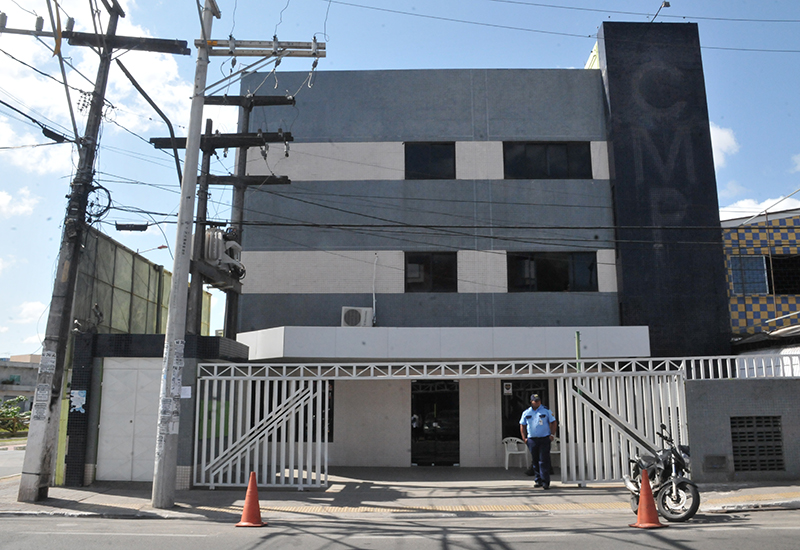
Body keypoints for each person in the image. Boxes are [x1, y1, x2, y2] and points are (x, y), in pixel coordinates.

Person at [519, 393, 557, 489]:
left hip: (544, 438)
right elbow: (522, 425)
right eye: (535, 401)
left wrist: (552, 434)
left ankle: (545, 482)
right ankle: (538, 480)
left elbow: (553, 422)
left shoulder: (546, 410)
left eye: (538, 401)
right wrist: (524, 438)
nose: (537, 402)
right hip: (532, 439)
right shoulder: (526, 413)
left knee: (544, 460)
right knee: (535, 460)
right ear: (531, 402)